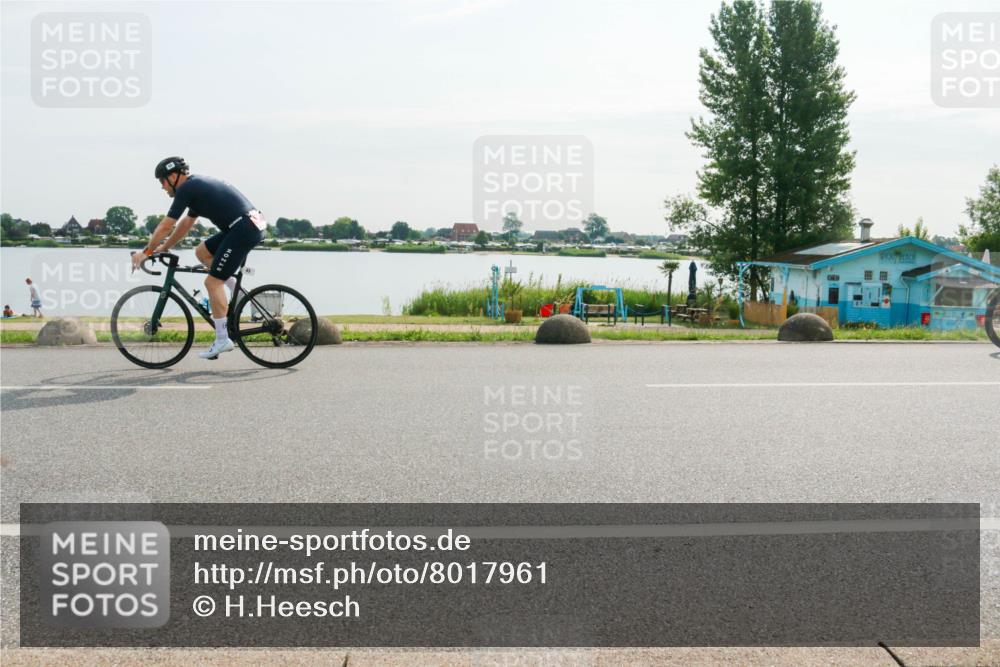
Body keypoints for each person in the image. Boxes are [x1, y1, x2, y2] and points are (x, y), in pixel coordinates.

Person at [133, 157, 266, 359]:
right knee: (201, 252)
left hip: (243, 228)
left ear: (173, 176)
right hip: (245, 226)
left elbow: (167, 225)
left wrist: (147, 252)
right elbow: (186, 223)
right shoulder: (195, 188)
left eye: (162, 181)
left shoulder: (188, 188)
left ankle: (222, 339)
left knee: (212, 282)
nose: (162, 187)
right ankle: (235, 291)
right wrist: (164, 247)